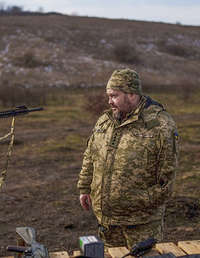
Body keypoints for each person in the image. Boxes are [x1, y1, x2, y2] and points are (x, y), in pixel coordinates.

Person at [77, 68, 179, 249]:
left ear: (132, 94)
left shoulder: (160, 125)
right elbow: (90, 156)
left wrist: (139, 203)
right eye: (108, 96)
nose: (109, 102)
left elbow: (167, 177)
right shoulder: (105, 121)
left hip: (141, 224)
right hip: (108, 222)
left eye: (114, 96)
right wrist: (85, 188)